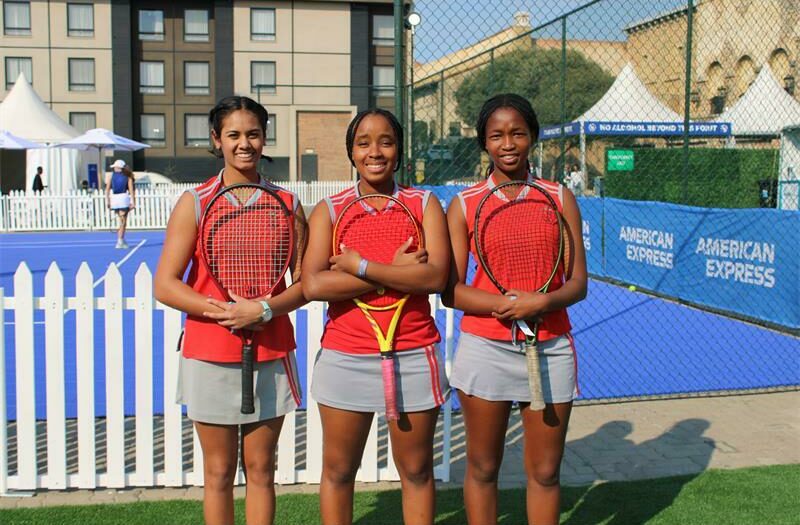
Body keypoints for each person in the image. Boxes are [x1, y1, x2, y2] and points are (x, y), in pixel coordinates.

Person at [154, 95, 307, 525]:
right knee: (218, 472)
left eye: (254, 134)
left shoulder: (288, 204)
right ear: (216, 139)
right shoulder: (195, 203)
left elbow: (304, 286)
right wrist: (224, 312)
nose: (245, 144)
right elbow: (165, 285)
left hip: (272, 351)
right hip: (208, 353)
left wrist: (261, 310)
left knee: (262, 470)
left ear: (264, 137)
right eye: (234, 134)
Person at [443, 93, 588, 525]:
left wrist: (542, 301)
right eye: (497, 136)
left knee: (544, 472)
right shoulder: (465, 203)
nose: (508, 144)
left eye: (518, 134)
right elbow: (451, 291)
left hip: (551, 347)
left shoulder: (559, 197)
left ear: (532, 138)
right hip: (484, 349)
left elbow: (578, 282)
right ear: (484, 144)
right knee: (484, 468)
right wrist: (505, 306)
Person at [302, 109, 450, 525]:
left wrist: (361, 267)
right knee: (337, 471)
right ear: (351, 151)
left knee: (418, 471)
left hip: (413, 354)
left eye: (385, 141)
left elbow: (436, 276)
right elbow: (314, 285)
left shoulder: (424, 204)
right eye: (364, 142)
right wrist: (397, 271)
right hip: (344, 356)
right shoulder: (328, 211)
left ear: (399, 149)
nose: (375, 151)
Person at [105, 159, 136, 248]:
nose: (114, 168)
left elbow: (107, 190)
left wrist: (108, 201)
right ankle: (120, 240)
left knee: (121, 220)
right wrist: (133, 202)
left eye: (115, 167)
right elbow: (131, 190)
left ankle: (121, 239)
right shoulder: (128, 177)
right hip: (122, 198)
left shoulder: (111, 176)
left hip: (115, 199)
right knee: (123, 221)